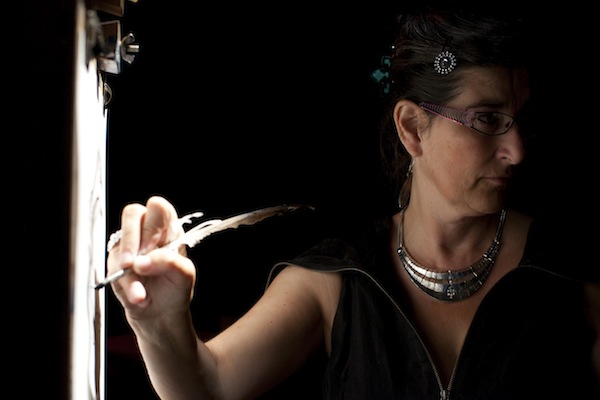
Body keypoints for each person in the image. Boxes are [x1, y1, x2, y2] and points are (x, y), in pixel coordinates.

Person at [106, 7, 600, 400]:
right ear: (412, 128)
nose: (517, 151)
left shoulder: (571, 273)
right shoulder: (337, 280)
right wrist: (158, 323)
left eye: (521, 120)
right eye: (488, 119)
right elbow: (206, 386)